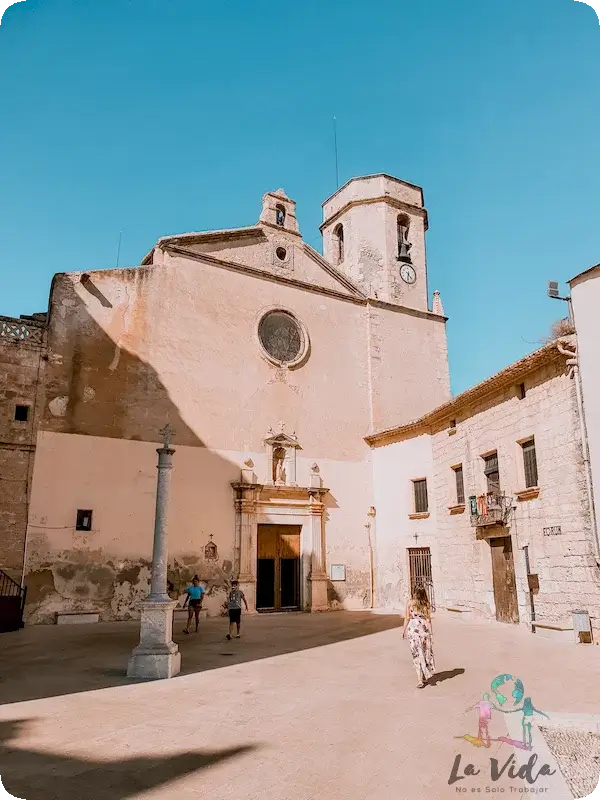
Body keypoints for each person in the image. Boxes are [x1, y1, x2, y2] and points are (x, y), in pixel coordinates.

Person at [402, 582, 435, 688]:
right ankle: (424, 674)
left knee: (416, 653)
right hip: (423, 630)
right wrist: (431, 633)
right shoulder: (426, 603)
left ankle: (420, 679)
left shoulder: (410, 603)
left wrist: (404, 630)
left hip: (413, 630)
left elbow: (407, 617)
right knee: (424, 653)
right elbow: (428, 619)